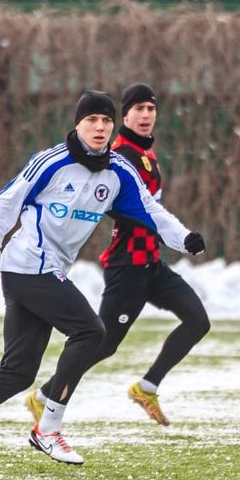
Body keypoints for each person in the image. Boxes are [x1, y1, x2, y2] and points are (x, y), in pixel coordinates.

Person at [0, 90, 205, 472]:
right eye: (91, 120)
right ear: (77, 124)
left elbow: (151, 211)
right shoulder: (52, 162)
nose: (99, 127)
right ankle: (48, 429)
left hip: (41, 271)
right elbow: (4, 205)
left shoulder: (118, 172)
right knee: (91, 332)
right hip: (27, 264)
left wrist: (183, 238)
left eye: (106, 120)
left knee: (17, 373)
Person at [24, 83, 209, 426]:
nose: (145, 115)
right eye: (138, 109)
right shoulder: (119, 154)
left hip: (151, 262)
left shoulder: (145, 154)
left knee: (198, 321)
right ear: (124, 116)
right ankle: (45, 396)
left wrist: (177, 237)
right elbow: (119, 205)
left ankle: (146, 387)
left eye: (151, 109)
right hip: (128, 264)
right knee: (103, 342)